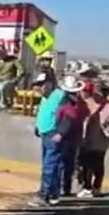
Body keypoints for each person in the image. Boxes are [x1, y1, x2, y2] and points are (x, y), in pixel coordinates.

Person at [29, 74, 81, 207]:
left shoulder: (61, 97)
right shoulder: (45, 98)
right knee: (50, 165)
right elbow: (44, 112)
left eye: (40, 85)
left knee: (49, 166)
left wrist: (60, 133)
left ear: (48, 84)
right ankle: (52, 193)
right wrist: (38, 126)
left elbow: (69, 117)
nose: (38, 88)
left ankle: (44, 194)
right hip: (46, 134)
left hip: (54, 135)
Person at [77, 80, 109, 198]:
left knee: (87, 164)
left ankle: (87, 187)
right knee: (98, 163)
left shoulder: (90, 103)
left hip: (89, 137)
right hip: (103, 139)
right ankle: (97, 187)